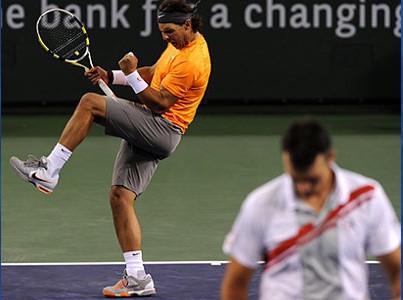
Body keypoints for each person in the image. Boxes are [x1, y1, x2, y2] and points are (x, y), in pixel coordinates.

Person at [10, 0, 210, 297]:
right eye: (161, 31)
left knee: (89, 103)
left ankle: (49, 170)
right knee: (120, 197)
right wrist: (113, 76)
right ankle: (137, 278)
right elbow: (154, 71)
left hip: (162, 129)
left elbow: (161, 102)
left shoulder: (193, 60)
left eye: (169, 31)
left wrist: (130, 75)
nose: (165, 37)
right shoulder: (179, 46)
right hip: (153, 126)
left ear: (188, 25)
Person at [221, 119, 401, 300]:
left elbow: (397, 271)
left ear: (330, 157)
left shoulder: (367, 198)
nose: (304, 188)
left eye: (313, 180)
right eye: (296, 179)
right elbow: (235, 286)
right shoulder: (260, 204)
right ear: (286, 160)